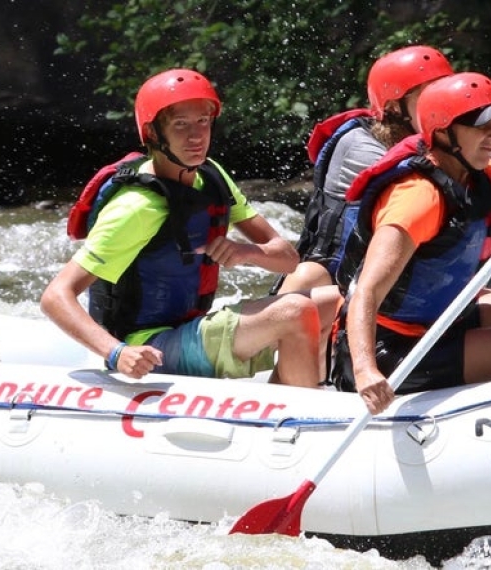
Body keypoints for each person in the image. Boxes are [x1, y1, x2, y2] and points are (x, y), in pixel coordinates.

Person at [41, 68, 340, 387]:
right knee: (294, 310)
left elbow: (288, 259)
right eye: (180, 124)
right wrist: (117, 353)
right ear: (154, 134)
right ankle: (299, 413)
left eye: (203, 122)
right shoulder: (136, 207)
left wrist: (245, 251)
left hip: (190, 328)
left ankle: (287, 395)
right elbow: (55, 297)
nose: (196, 136)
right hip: (150, 348)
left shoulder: (210, 175)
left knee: (324, 289)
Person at [330, 72, 491, 414]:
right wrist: (365, 372)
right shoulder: (417, 197)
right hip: (394, 348)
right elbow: (366, 291)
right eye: (481, 127)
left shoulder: (485, 174)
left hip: (447, 321)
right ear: (443, 132)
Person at [274, 45, 491, 295]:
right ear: (393, 108)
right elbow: (431, 176)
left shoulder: (440, 143)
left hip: (407, 281)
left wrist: (489, 140)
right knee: (309, 276)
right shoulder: (358, 146)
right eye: (428, 92)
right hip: (340, 276)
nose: (441, 98)